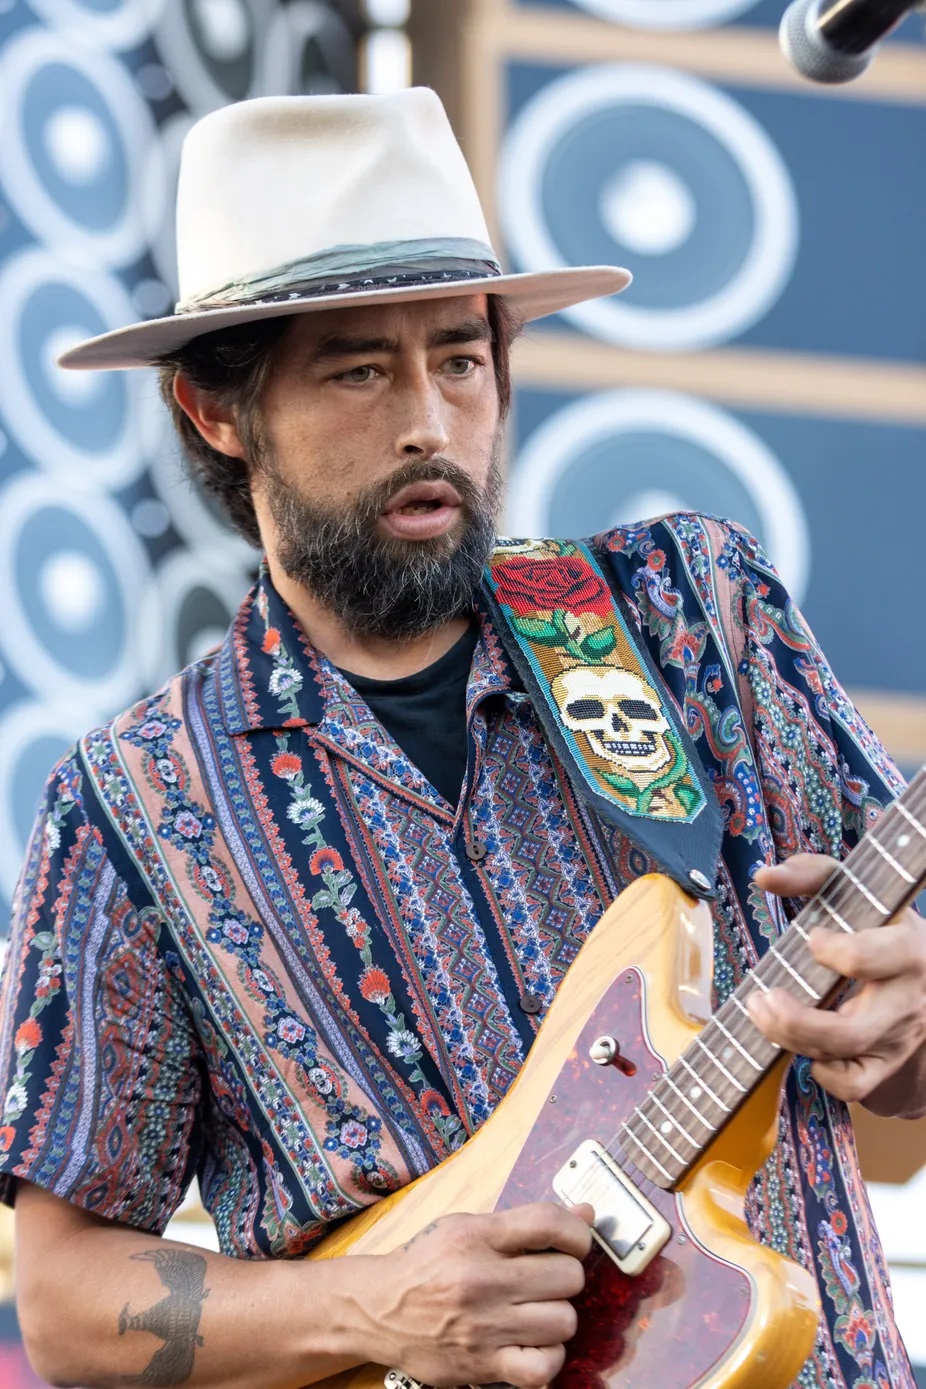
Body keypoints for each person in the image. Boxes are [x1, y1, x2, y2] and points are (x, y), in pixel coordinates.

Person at [0, 88, 923, 1389]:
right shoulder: (131, 800)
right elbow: (65, 1300)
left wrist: (910, 1019)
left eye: (461, 357)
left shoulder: (692, 611)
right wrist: (379, 1310)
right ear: (216, 412)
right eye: (359, 369)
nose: (430, 419)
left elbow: (903, 1042)